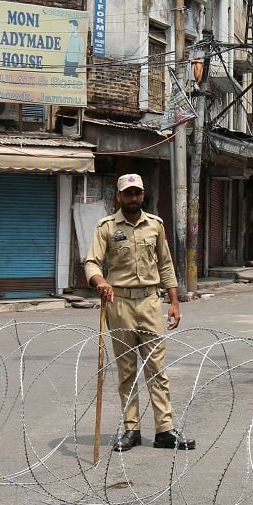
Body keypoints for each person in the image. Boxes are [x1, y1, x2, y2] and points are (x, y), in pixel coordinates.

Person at [84, 174, 195, 452]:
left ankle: (165, 430)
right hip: (119, 304)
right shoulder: (106, 227)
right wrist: (101, 282)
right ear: (119, 197)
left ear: (143, 195)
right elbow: (92, 263)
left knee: (156, 368)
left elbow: (166, 265)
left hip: (149, 302)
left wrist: (174, 303)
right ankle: (131, 429)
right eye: (128, 194)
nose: (133, 198)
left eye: (137, 193)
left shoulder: (155, 225)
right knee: (126, 370)